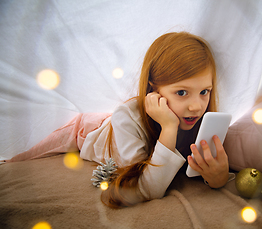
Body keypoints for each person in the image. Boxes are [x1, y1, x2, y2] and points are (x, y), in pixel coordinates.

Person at [8, 32, 230, 208]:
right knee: (30, 153)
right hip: (89, 130)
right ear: (154, 89)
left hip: (115, 126)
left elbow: (201, 171)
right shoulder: (127, 117)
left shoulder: (200, 118)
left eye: (204, 91)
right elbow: (147, 189)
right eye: (181, 92)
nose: (197, 106)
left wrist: (218, 178)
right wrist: (169, 126)